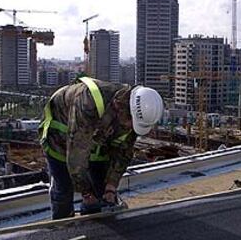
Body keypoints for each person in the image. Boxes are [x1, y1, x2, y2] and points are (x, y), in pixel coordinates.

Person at [38, 76, 164, 219]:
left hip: (95, 141)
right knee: (64, 188)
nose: (130, 126)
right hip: (60, 138)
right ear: (123, 107)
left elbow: (123, 152)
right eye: (130, 121)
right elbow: (76, 158)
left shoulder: (134, 116)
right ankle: (62, 228)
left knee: (101, 191)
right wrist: (86, 193)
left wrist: (111, 186)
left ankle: (95, 225)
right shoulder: (88, 102)